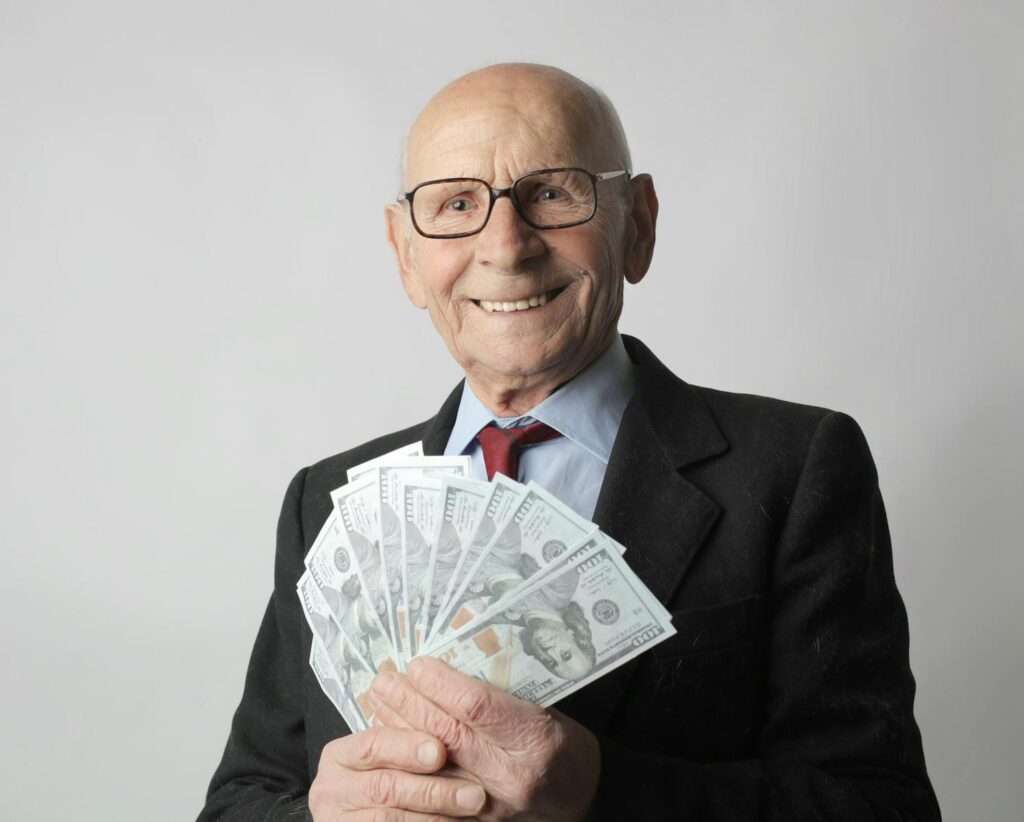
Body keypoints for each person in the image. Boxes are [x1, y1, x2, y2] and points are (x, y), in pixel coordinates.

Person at [198, 63, 941, 821]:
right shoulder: (323, 505)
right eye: (455, 204)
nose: (506, 245)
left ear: (638, 223)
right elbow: (239, 801)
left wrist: (599, 789)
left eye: (552, 193)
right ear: (406, 256)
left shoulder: (794, 467)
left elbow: (880, 807)